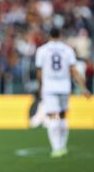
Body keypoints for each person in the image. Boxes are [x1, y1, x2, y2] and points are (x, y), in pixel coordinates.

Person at [35, 28, 90, 158]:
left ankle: (56, 149)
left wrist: (40, 86)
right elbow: (74, 71)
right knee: (63, 116)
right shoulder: (67, 49)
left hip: (49, 88)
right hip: (64, 87)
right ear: (60, 35)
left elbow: (39, 72)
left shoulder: (42, 50)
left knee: (53, 117)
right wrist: (84, 88)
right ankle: (63, 147)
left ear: (49, 35)